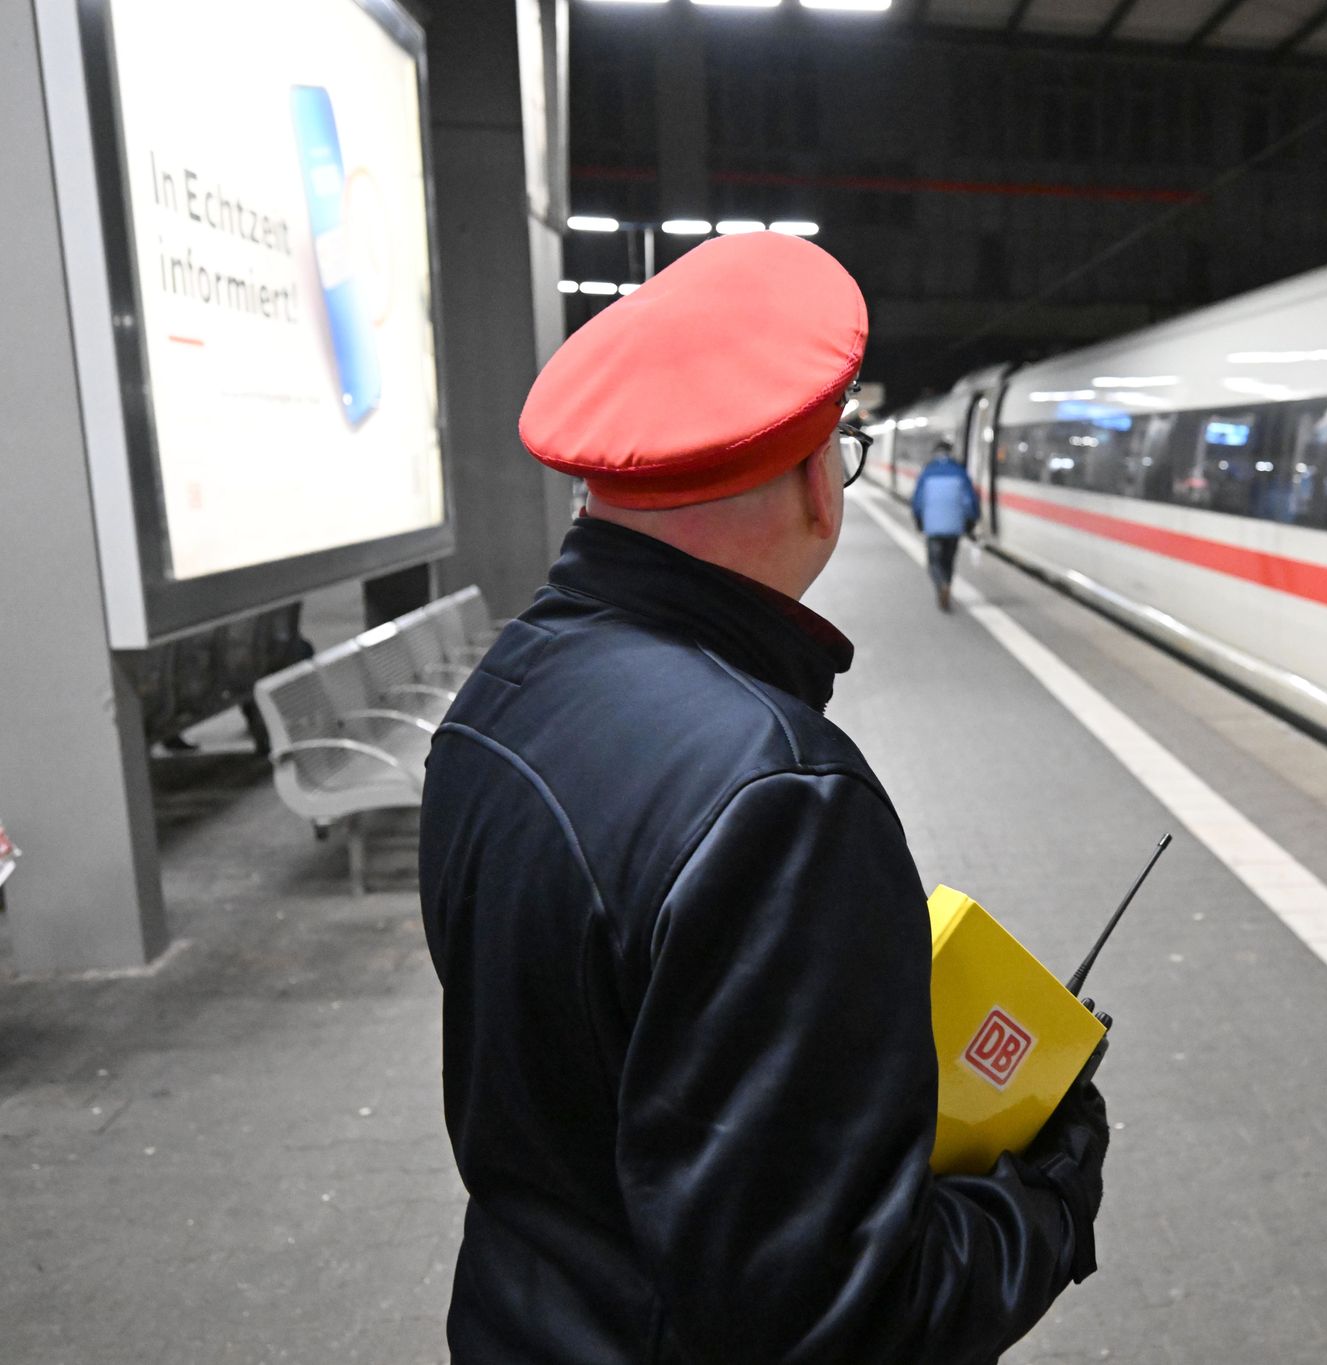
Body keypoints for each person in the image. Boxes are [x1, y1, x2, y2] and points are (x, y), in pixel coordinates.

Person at [417, 233, 1109, 1364]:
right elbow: (833, 1322)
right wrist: (1048, 1197)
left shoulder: (502, 697)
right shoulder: (778, 796)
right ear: (812, 479)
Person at [910, 441, 980, 611]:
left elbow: (918, 502)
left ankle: (940, 585)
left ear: (935, 453)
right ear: (951, 452)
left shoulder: (927, 472)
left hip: (933, 527)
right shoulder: (960, 472)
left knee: (934, 562)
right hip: (954, 527)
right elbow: (970, 501)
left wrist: (918, 521)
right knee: (949, 560)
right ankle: (948, 584)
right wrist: (971, 522)